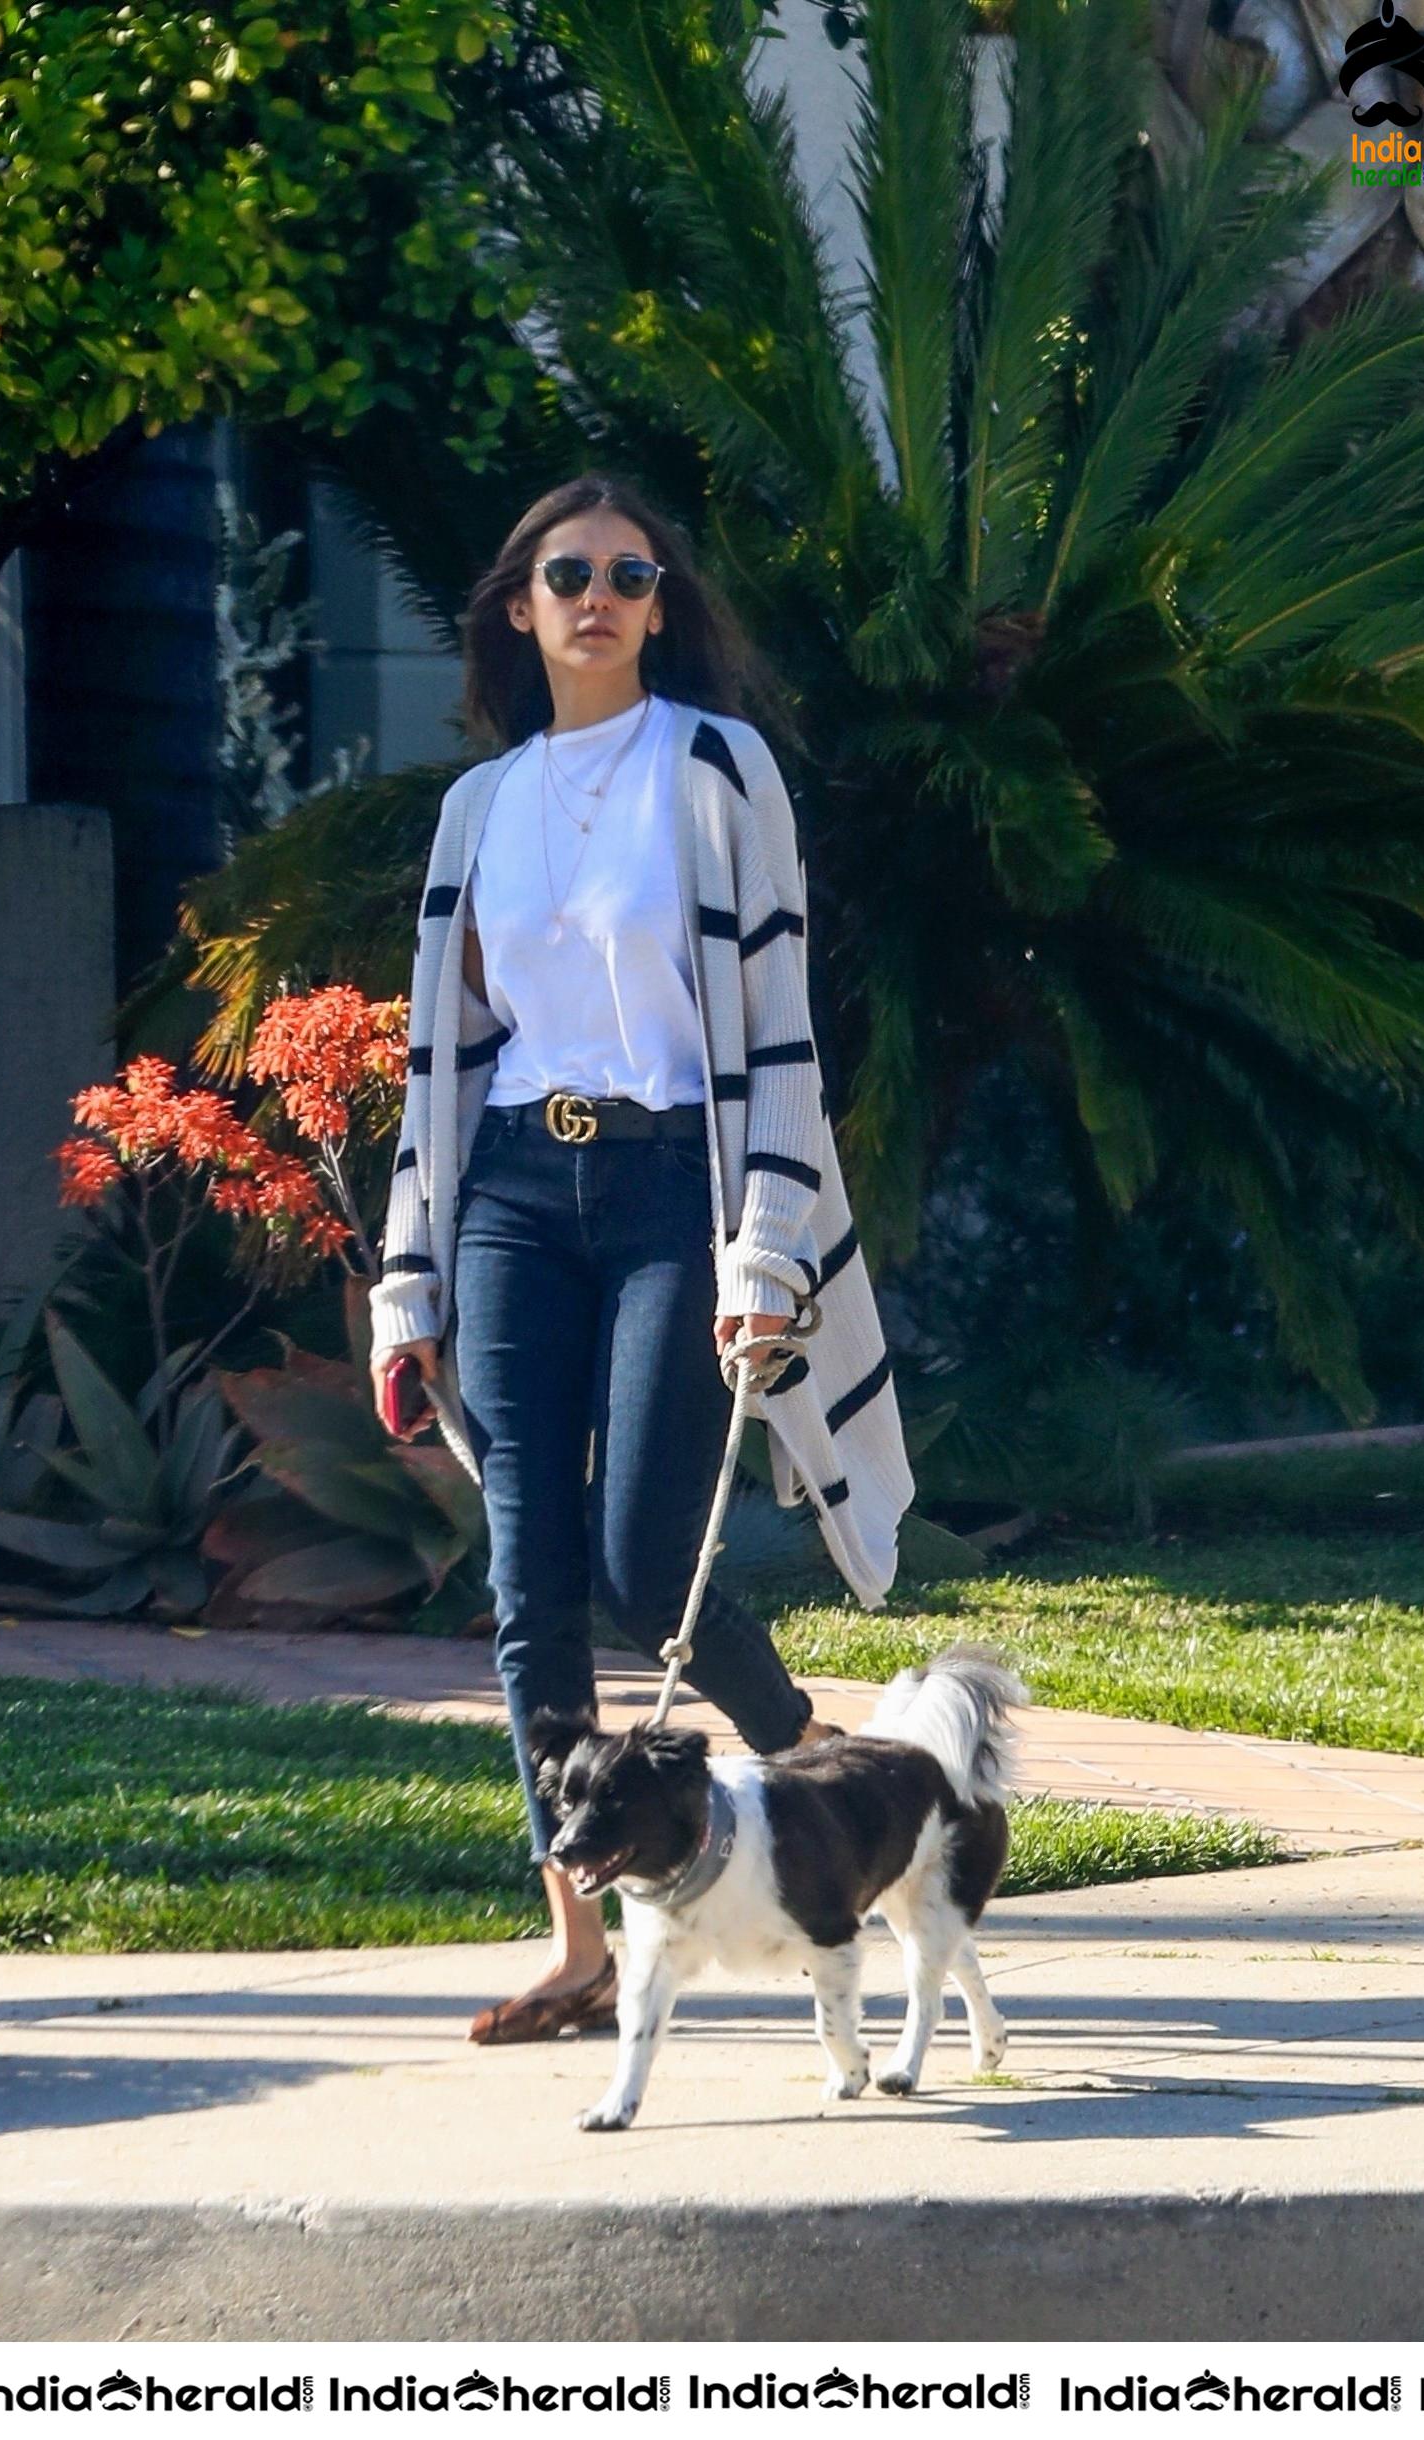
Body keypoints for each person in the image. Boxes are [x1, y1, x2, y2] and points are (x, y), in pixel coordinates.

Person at [368, 472, 912, 2043]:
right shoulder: (481, 808)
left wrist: (769, 1248)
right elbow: (439, 1066)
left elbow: (782, 1029)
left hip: (682, 1178)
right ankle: (583, 1942)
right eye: (565, 575)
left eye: (627, 572)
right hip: (516, 1196)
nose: (596, 596)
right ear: (520, 608)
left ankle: (820, 1766)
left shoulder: (718, 770)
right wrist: (411, 1279)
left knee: (636, 1559)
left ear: (661, 606)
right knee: (527, 1581)